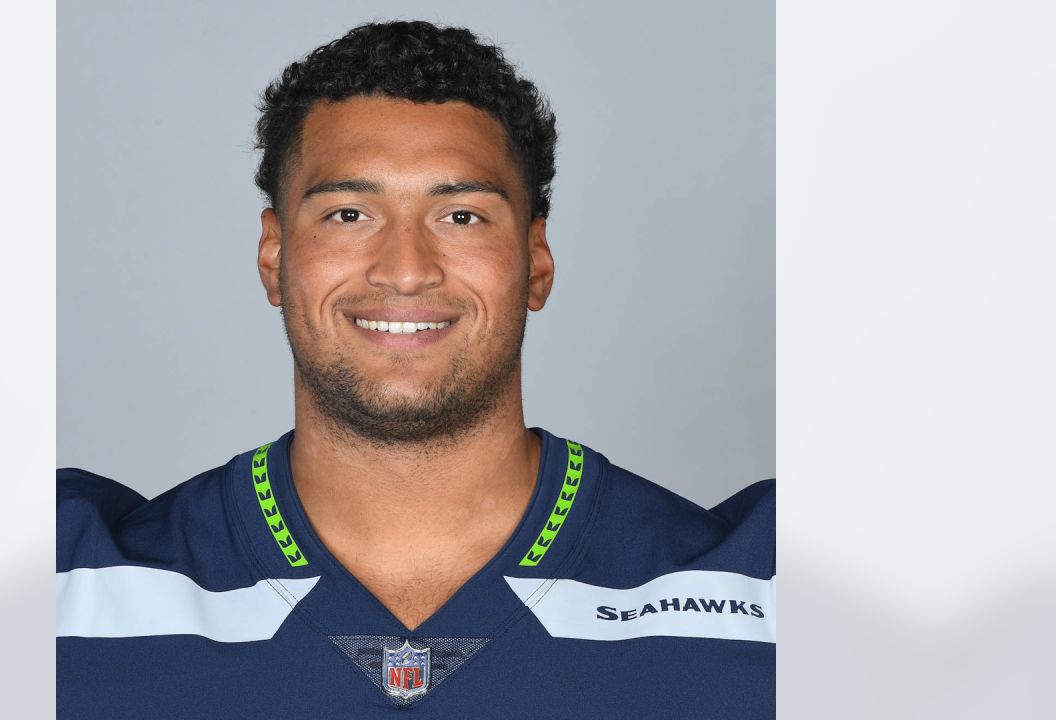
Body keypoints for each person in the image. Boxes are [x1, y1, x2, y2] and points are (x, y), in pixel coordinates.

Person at [57, 20, 774, 717]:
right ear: (274, 259)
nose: (405, 271)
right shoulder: (66, 588)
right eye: (348, 214)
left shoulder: (765, 598)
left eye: (461, 216)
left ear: (537, 262)